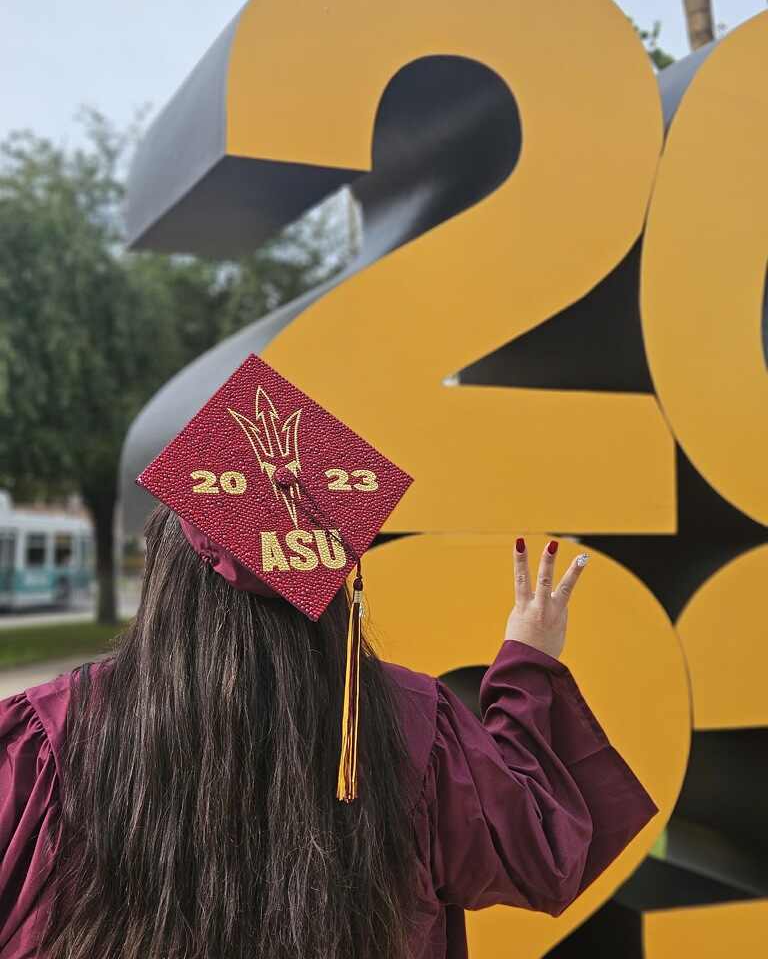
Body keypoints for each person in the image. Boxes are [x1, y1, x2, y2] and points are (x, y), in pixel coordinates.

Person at [0, 355, 658, 959]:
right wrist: (528, 662)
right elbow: (541, 852)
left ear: (165, 576)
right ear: (324, 587)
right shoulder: (409, 725)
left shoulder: (50, 734)